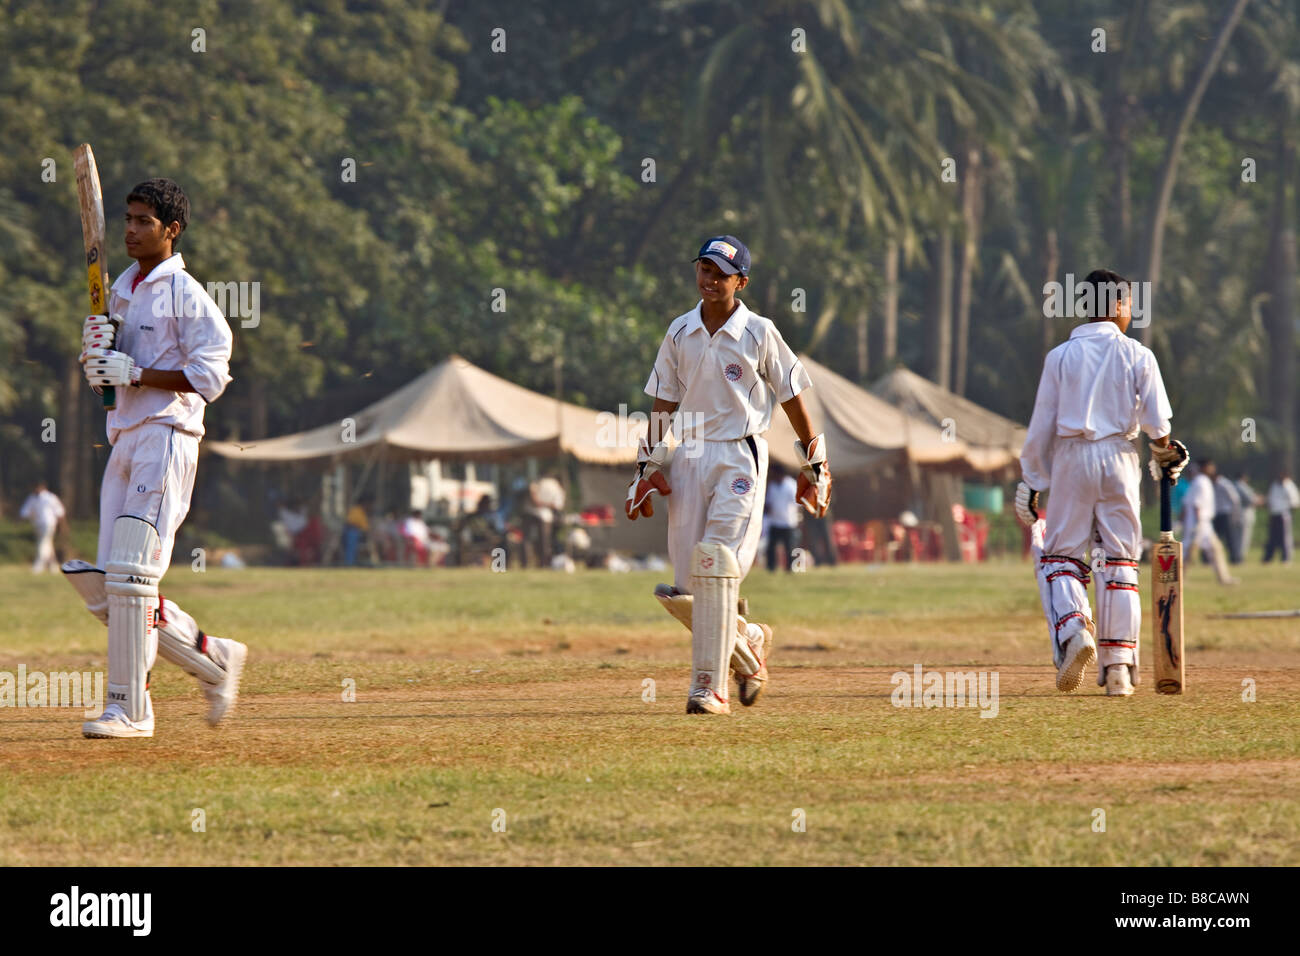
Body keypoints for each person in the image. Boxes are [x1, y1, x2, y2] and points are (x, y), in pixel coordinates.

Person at [67, 177, 247, 739]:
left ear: (171, 230)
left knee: (132, 577)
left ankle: (130, 710)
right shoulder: (120, 289)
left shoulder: (188, 294)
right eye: (127, 218)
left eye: (145, 221)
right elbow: (109, 372)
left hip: (167, 437)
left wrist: (137, 373)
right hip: (124, 435)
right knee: (107, 587)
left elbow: (210, 376)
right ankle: (212, 658)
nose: (130, 229)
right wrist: (98, 358)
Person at [626, 235, 831, 715]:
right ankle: (749, 642)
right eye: (704, 270)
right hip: (689, 457)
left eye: (721, 273)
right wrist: (645, 469)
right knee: (683, 592)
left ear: (741, 281)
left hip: (741, 454)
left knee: (716, 561)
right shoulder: (679, 332)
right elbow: (663, 405)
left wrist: (814, 462)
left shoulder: (759, 331)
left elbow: (792, 395)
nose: (710, 280)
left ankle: (709, 688)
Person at [1016, 269, 1187, 698]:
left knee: (1062, 557)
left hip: (1072, 458)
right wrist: (1166, 453)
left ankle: (1075, 629)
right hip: (1120, 458)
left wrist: (1032, 480)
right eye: (1129, 305)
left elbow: (1042, 426)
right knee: (1121, 563)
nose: (1131, 313)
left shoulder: (1059, 357)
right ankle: (1119, 670)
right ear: (1115, 307)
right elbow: (1157, 424)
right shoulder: (1138, 355)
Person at [1187, 462, 1235, 584]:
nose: (1213, 468)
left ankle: (1223, 578)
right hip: (1199, 522)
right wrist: (1197, 523)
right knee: (1189, 552)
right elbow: (1197, 504)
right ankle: (1178, 578)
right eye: (1210, 466)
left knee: (1215, 549)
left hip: (1203, 523)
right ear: (1204, 467)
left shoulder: (1201, 481)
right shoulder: (1201, 482)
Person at [19, 481, 67, 573]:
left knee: (43, 543)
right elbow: (24, 512)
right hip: (37, 525)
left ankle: (38, 565)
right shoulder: (32, 498)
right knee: (47, 544)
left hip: (49, 524)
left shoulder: (50, 498)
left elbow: (59, 512)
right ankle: (53, 567)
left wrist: (63, 526)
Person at [526, 473, 566, 568]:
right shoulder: (555, 487)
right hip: (544, 517)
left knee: (541, 541)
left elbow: (534, 497)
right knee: (545, 541)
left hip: (536, 514)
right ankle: (544, 562)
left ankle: (540, 562)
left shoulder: (540, 483)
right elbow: (558, 505)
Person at [765, 462, 799, 571]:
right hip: (774, 521)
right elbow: (768, 502)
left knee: (789, 547)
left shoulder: (791, 485)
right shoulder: (772, 485)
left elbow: (797, 502)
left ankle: (790, 569)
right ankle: (771, 568)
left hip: (788, 522)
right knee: (771, 547)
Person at [1208, 461, 1243, 564]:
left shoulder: (1224, 484)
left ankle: (1235, 558)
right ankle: (1210, 559)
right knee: (1214, 537)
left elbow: (1235, 499)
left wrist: (1235, 514)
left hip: (1226, 513)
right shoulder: (1211, 484)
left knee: (1230, 538)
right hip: (1216, 514)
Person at [1264, 470, 1300, 563]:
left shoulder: (1289, 486)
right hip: (1274, 513)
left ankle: (1286, 558)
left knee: (1285, 537)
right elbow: (1271, 499)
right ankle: (1268, 558)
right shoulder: (1275, 485)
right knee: (1272, 537)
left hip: (1284, 514)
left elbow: (1295, 502)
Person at [1234, 472, 1259, 563]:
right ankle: (1240, 557)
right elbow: (1251, 500)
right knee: (1244, 538)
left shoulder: (1234, 485)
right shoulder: (1241, 486)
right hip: (1244, 514)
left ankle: (1237, 556)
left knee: (1238, 537)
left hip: (1237, 515)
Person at [342, 499, 370, 566]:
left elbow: (366, 528)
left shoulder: (363, 512)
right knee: (353, 535)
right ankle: (349, 563)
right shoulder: (356, 510)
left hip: (361, 534)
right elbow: (349, 523)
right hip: (352, 532)